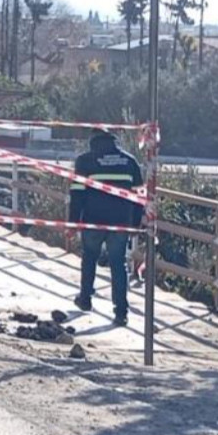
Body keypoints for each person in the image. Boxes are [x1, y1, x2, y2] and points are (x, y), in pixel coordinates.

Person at [70, 129, 145, 326]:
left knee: (89, 258)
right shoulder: (129, 161)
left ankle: (85, 298)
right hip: (121, 221)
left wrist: (73, 222)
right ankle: (121, 311)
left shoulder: (85, 161)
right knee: (118, 264)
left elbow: (77, 195)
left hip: (93, 220)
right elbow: (140, 197)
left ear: (93, 141)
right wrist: (135, 224)